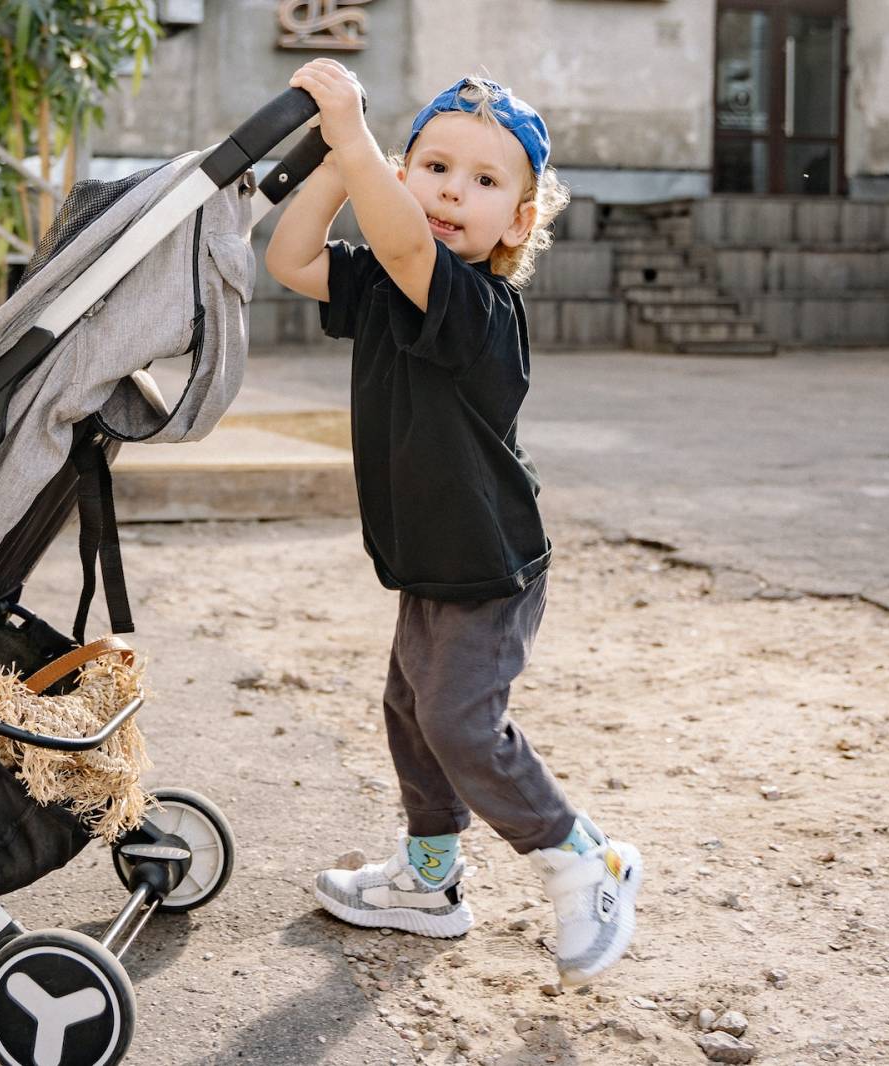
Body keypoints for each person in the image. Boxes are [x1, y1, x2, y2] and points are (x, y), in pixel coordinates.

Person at [265, 59, 643, 986]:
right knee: (411, 716)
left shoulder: (478, 307)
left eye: (483, 181)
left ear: (518, 221)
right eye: (433, 167)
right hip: (427, 558)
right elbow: (290, 259)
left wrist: (360, 144)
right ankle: (428, 883)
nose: (450, 192)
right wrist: (336, 162)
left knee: (462, 724)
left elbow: (403, 249)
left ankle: (583, 857)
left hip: (490, 563)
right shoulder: (389, 283)